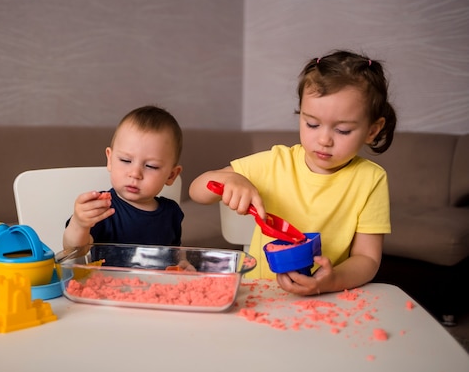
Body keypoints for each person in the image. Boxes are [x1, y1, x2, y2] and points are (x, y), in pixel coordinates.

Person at [189, 49, 397, 296]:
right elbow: (197, 191)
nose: (324, 140)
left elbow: (367, 259)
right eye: (312, 124)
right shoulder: (274, 162)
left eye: (342, 130)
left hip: (328, 297)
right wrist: (230, 179)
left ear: (372, 130)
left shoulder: (370, 179)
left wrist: (330, 281)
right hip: (260, 294)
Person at [63, 105, 184, 251]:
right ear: (110, 159)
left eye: (151, 166)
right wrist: (79, 224)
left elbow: (175, 254)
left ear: (171, 175)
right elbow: (74, 251)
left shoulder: (172, 213)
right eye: (126, 160)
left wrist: (183, 264)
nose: (135, 174)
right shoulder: (101, 209)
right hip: (106, 275)